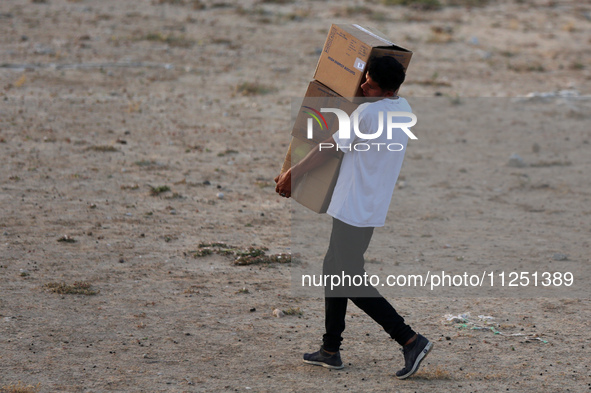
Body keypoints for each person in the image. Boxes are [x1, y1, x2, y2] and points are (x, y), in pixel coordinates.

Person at [274, 56, 432, 379]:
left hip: (351, 206)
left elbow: (330, 147)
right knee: (333, 268)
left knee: (347, 278)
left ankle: (409, 339)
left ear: (387, 91)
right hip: (370, 209)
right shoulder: (403, 109)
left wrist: (293, 173)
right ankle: (330, 349)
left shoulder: (369, 112)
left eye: (370, 84)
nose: (362, 86)